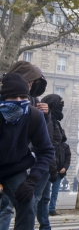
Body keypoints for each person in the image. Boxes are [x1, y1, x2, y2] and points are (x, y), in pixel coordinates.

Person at [0, 61, 54, 230]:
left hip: (13, 168)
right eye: (13, 97)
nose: (18, 101)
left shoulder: (35, 116)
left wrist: (32, 180)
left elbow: (46, 150)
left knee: (28, 203)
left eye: (23, 98)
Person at [38, 94, 71, 221]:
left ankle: (45, 226)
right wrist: (53, 169)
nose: (62, 108)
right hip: (45, 164)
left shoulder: (54, 121)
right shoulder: (49, 121)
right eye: (60, 105)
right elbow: (49, 147)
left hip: (50, 165)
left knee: (44, 197)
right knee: (37, 197)